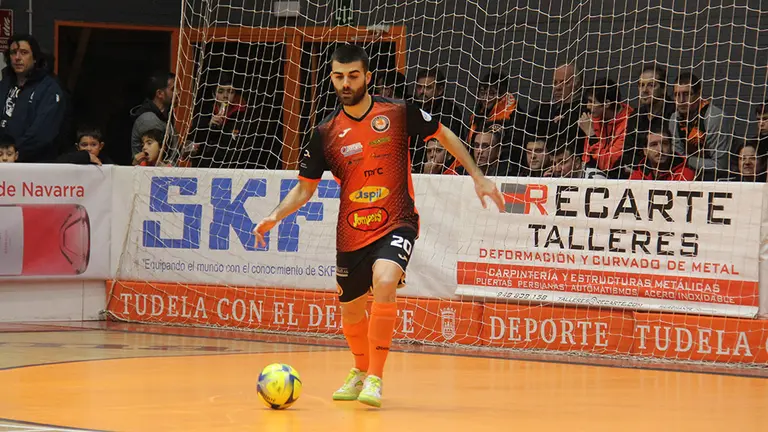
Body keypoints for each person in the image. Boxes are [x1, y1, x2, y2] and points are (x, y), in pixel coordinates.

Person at [252, 45, 504, 408]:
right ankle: (359, 370)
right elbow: (305, 188)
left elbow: (444, 134)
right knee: (351, 310)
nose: (346, 82)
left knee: (385, 281)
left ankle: (376, 378)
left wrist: (478, 177)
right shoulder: (325, 133)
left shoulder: (398, 112)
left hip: (397, 220)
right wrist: (275, 215)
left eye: (353, 75)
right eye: (339, 76)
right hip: (351, 230)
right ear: (332, 78)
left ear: (367, 77)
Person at [0, 34, 66, 162]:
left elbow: (42, 134)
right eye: (14, 53)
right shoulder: (3, 86)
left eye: (24, 52)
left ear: (35, 58)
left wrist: (13, 154)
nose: (17, 58)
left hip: (33, 168)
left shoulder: (49, 89)